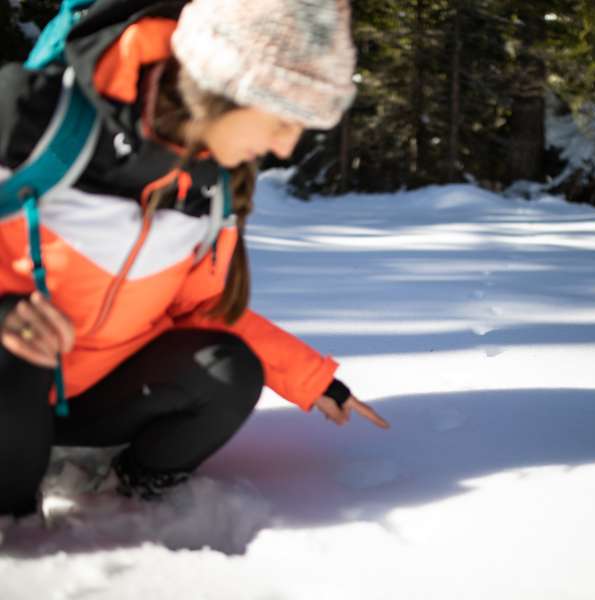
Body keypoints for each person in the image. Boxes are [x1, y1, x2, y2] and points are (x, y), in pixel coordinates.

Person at [0, 0, 389, 520]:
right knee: (14, 357)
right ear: (223, 88)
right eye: (282, 117)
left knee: (228, 372)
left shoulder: (208, 185)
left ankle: (127, 496)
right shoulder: (34, 119)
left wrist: (311, 378)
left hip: (94, 398)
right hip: (10, 385)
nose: (285, 145)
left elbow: (203, 310)